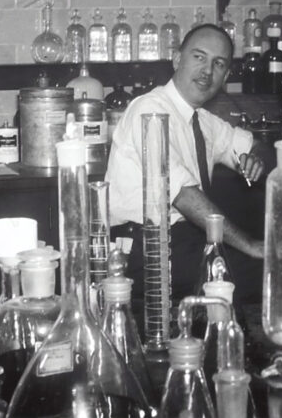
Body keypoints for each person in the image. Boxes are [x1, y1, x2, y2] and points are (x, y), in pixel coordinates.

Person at [105, 24, 265, 303]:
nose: (207, 71)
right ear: (177, 60)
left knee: (271, 266)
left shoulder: (203, 121)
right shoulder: (149, 110)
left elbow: (255, 146)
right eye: (198, 57)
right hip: (143, 251)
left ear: (226, 76)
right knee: (264, 271)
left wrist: (257, 159)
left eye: (218, 64)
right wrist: (250, 245)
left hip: (186, 244)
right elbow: (184, 196)